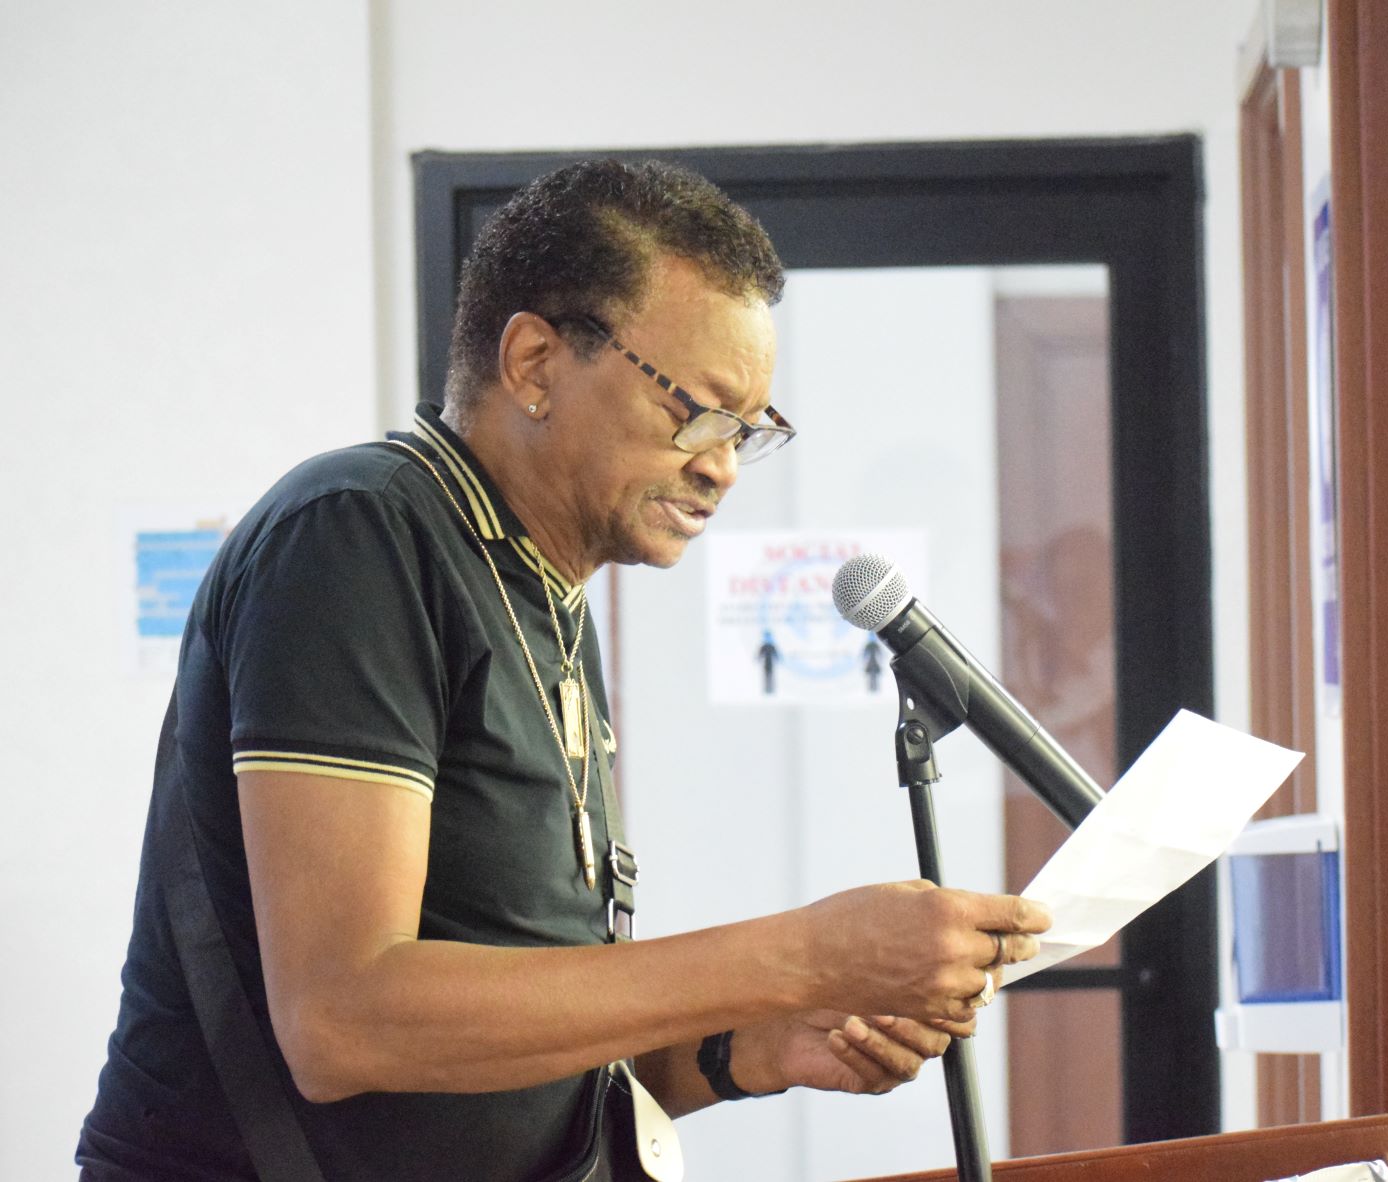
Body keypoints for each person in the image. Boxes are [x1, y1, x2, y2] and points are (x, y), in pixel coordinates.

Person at [77, 159, 1049, 1181]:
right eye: (699, 412)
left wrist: (745, 1048)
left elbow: (515, 1052)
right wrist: (801, 954)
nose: (721, 464)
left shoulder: (550, 599)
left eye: (747, 431)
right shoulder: (359, 534)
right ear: (536, 362)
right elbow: (343, 1021)